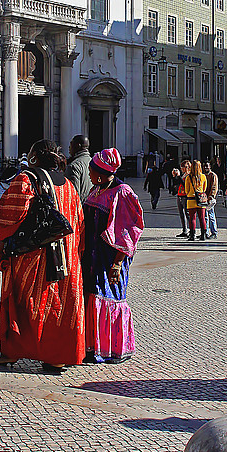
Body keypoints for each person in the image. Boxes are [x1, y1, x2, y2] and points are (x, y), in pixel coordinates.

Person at [0, 140, 85, 371]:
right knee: (60, 306)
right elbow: (79, 222)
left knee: (26, 302)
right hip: (66, 257)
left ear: (34, 157)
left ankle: (13, 351)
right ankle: (57, 355)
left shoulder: (27, 179)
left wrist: (1, 246)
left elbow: (7, 214)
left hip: (33, 257)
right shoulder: (68, 185)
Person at [82, 148, 144, 363]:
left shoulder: (122, 193)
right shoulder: (96, 189)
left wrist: (117, 264)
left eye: (90, 170)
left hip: (109, 258)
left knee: (109, 296)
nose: (88, 174)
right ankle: (92, 346)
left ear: (99, 173)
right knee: (91, 294)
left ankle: (112, 348)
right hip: (91, 256)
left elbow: (128, 231)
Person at [185, 160, 208, 241]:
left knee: (192, 218)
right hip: (201, 200)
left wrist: (190, 194)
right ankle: (203, 235)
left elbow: (186, 189)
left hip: (191, 200)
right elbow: (204, 188)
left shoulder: (188, 177)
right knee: (202, 218)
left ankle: (192, 235)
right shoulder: (203, 177)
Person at [65, 135, 92, 202]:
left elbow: (72, 196)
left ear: (78, 146)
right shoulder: (93, 163)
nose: (69, 147)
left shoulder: (74, 166)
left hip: (80, 209)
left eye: (71, 144)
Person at [202, 161, 219, 239]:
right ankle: (206, 232)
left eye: (207, 166)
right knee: (205, 216)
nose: (206, 168)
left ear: (210, 167)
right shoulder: (203, 175)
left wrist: (211, 197)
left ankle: (214, 232)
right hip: (204, 198)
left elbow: (214, 187)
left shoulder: (213, 176)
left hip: (210, 198)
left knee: (211, 215)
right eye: (204, 166)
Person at [175, 159, 191, 237]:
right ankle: (184, 230)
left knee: (187, 214)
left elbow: (185, 184)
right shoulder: (183, 175)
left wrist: (178, 177)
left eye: (182, 167)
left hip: (185, 196)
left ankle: (191, 230)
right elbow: (179, 183)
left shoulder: (189, 175)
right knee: (181, 214)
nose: (181, 169)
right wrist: (176, 177)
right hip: (180, 195)